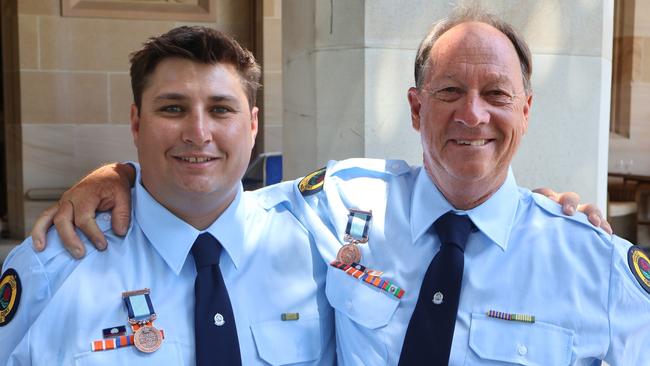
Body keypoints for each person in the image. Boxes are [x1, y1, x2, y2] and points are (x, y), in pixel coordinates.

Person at [25, 7, 619, 366]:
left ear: (527, 110)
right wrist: (114, 175)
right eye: (448, 93)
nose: (472, 115)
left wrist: (545, 220)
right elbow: (202, 188)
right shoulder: (329, 209)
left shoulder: (596, 266)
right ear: (416, 109)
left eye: (497, 95)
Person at [0, 26, 334, 365]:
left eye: (220, 109)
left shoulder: (321, 248)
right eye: (173, 109)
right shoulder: (52, 269)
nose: (198, 134)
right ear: (136, 124)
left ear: (252, 125)